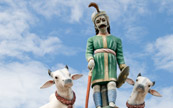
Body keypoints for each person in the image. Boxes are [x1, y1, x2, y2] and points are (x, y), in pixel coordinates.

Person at [86, 2, 128, 108]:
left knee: (112, 83)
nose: (101, 23)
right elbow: (88, 51)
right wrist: (90, 59)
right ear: (95, 25)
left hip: (110, 64)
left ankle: (112, 103)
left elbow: (119, 54)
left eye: (103, 20)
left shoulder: (116, 40)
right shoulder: (91, 39)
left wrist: (122, 65)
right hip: (97, 65)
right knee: (96, 87)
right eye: (98, 21)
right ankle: (98, 106)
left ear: (108, 23)